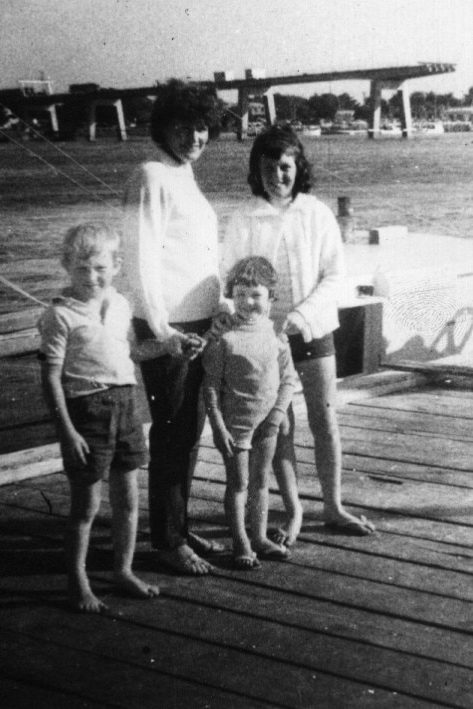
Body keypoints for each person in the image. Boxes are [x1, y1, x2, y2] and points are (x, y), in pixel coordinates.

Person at [223, 124, 375, 541]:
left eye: (286, 166)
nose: (278, 175)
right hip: (265, 340)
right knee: (280, 425)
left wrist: (302, 316)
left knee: (324, 419)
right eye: (268, 167)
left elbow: (336, 276)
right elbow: (231, 279)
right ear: (257, 170)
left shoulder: (317, 213)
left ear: (298, 167)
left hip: (314, 331)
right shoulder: (244, 217)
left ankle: (333, 506)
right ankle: (293, 511)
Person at [122, 79, 226, 575]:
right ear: (163, 127)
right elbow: (139, 262)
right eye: (184, 126)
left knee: (189, 432)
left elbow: (194, 256)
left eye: (203, 126)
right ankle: (166, 541)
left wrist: (221, 301)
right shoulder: (151, 175)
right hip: (170, 330)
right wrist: (162, 333)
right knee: (172, 433)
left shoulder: (182, 174)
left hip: (199, 324)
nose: (195, 135)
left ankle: (178, 528)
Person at [38, 223, 159, 613]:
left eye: (101, 268)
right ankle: (79, 582)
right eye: (83, 269)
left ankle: (123, 570)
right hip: (87, 411)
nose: (93, 277)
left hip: (127, 404)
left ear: (117, 265)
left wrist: (171, 345)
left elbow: (131, 354)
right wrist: (67, 433)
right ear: (67, 267)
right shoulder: (59, 315)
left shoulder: (121, 304)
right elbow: (51, 377)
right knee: (86, 507)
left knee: (128, 500)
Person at [203, 256, 298, 569]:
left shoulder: (276, 337)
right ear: (231, 296)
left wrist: (277, 414)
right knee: (239, 484)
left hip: (268, 424)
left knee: (260, 482)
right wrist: (218, 427)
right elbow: (212, 388)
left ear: (271, 296)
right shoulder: (224, 340)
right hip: (235, 428)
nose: (247, 301)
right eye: (240, 295)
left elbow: (288, 380)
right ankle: (241, 541)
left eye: (256, 295)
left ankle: (258, 536)